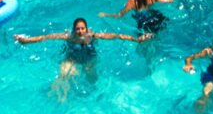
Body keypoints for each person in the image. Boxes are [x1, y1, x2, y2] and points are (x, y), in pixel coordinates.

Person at [14, 18, 149, 102]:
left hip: (89, 59)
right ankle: (60, 97)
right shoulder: (68, 37)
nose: (80, 31)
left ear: (86, 29)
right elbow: (46, 37)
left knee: (91, 78)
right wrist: (26, 41)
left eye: (82, 28)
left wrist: (136, 40)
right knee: (64, 75)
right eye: (77, 29)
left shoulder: (93, 36)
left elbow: (116, 36)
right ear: (73, 30)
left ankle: (96, 98)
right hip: (71, 58)